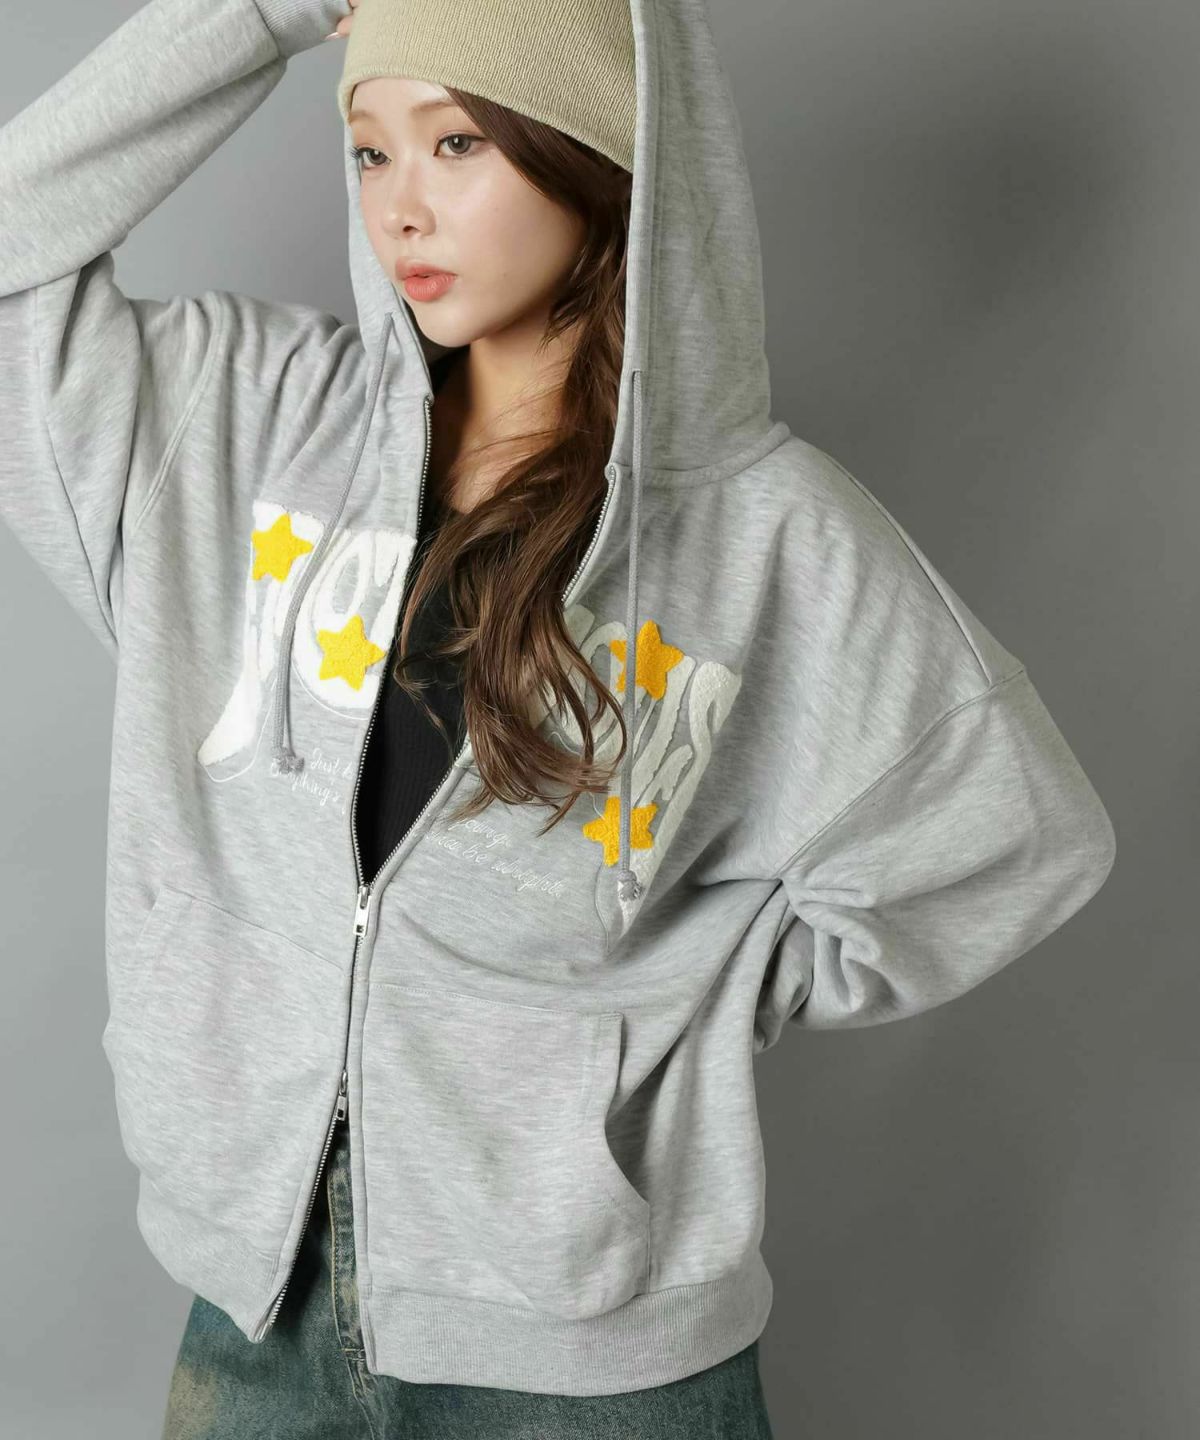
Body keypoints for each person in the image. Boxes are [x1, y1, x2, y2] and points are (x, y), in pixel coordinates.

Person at [0, 0, 1117, 1434]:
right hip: (255, 1317)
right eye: (369, 150)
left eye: (458, 142)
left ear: (596, 155)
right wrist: (264, 12)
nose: (402, 207)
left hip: (592, 1375)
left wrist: (686, 1000)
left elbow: (1012, 841)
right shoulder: (246, 425)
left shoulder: (763, 535)